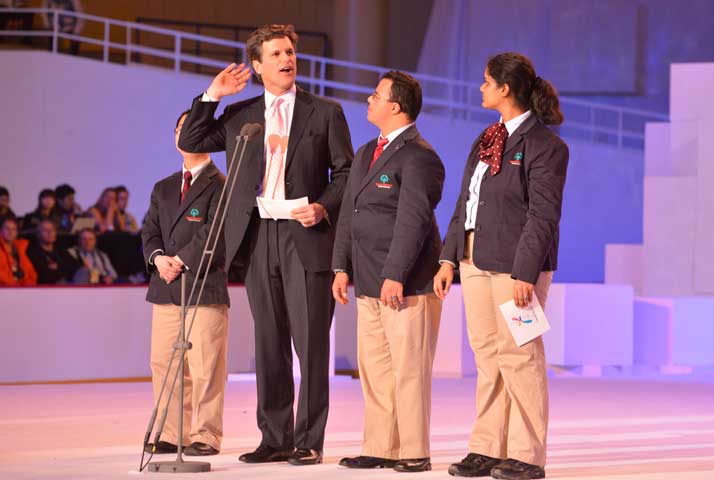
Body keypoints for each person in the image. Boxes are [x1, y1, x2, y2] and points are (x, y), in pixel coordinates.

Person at [179, 24, 353, 466]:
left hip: (305, 234)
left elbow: (346, 173)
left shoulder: (325, 111)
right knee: (269, 340)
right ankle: (274, 437)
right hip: (258, 235)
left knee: (311, 342)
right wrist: (212, 94)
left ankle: (309, 439)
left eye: (290, 52)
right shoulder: (241, 115)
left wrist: (324, 207)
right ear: (257, 66)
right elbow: (192, 140)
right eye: (275, 54)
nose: (286, 59)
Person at [433, 52, 568, 480]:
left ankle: (528, 454)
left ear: (505, 89)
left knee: (521, 354)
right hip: (475, 260)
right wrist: (448, 257)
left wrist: (525, 273)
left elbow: (543, 215)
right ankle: (488, 446)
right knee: (488, 356)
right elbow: (466, 202)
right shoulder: (487, 138)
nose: (481, 88)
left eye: (486, 81)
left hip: (516, 267)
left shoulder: (547, 146)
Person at [332, 71, 444, 473]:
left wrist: (395, 273)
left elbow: (413, 222)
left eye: (376, 95)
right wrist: (341, 266)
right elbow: (349, 213)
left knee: (408, 369)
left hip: (405, 284)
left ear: (395, 106)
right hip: (366, 279)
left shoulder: (421, 156)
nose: (369, 100)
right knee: (375, 370)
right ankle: (381, 447)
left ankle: (414, 450)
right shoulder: (366, 152)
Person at [141, 110, 230, 457]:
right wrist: (159, 258)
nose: (183, 133)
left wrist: (182, 259)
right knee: (164, 363)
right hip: (165, 288)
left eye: (191, 127)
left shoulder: (222, 185)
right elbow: (149, 231)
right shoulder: (163, 187)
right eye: (179, 127)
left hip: (203, 287)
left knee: (206, 367)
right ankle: (170, 432)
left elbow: (217, 231)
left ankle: (205, 435)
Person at [26, 219, 78, 284]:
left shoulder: (60, 250)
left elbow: (75, 266)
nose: (50, 232)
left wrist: (58, 267)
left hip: (69, 284)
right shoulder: (33, 252)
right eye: (45, 230)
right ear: (38, 234)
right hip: (48, 288)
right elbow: (44, 275)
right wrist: (63, 269)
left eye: (52, 230)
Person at [0, 217, 37, 286]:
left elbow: (32, 275)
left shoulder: (20, 249)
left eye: (13, 229)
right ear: (1, 231)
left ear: (17, 233)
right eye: (7, 228)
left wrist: (24, 288)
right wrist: (16, 286)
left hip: (21, 292)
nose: (10, 232)